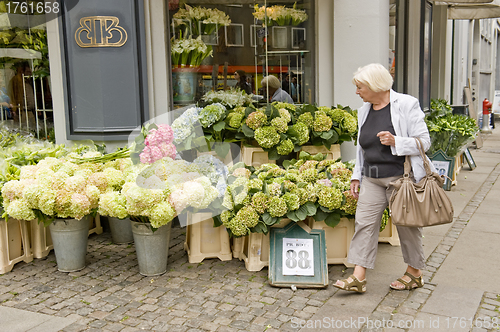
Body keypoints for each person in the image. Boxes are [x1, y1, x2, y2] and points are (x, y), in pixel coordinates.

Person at [334, 63, 435, 293]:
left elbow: (424, 141)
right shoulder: (364, 110)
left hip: (401, 178)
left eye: (360, 87)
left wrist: (396, 141)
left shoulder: (406, 104)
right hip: (371, 178)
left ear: (375, 86)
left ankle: (414, 273)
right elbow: (362, 148)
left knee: (407, 226)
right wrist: (356, 176)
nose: (357, 92)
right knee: (364, 224)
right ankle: (359, 276)